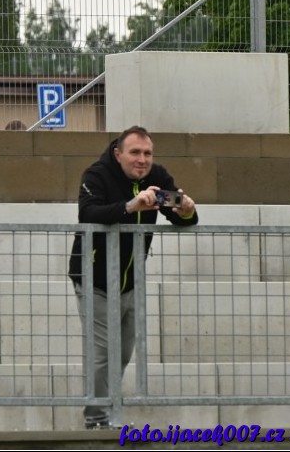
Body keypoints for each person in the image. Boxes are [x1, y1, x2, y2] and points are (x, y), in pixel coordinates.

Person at [68, 125, 198, 429]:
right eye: (135, 153)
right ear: (118, 154)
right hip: (94, 277)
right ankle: (97, 419)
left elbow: (184, 218)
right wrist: (131, 206)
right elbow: (89, 214)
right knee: (103, 350)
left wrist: (187, 210)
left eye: (147, 153)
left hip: (131, 279)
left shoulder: (157, 177)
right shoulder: (97, 175)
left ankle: (108, 410)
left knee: (124, 349)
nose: (142, 160)